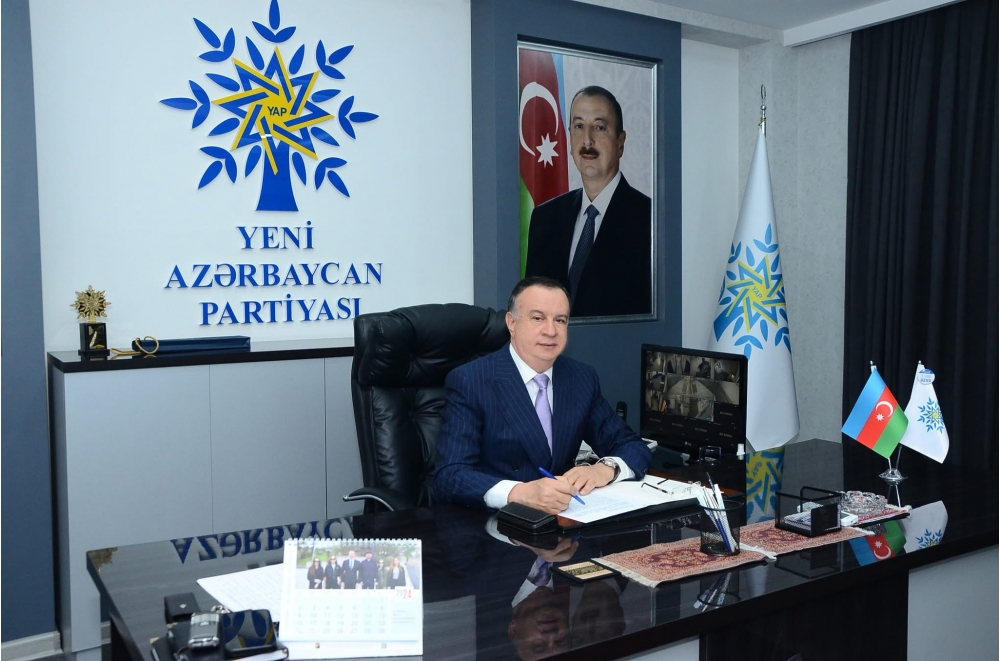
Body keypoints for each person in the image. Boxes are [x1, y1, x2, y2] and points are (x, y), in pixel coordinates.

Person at [434, 277, 652, 514]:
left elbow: (632, 446)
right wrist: (518, 493)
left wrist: (604, 469)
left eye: (560, 320)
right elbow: (450, 476)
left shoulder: (580, 378)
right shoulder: (471, 380)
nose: (551, 331)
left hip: (565, 517)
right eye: (538, 318)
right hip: (496, 522)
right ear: (512, 323)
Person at [524, 86, 651, 318]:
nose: (587, 140)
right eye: (579, 126)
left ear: (620, 142)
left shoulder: (650, 220)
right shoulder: (545, 217)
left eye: (599, 127)